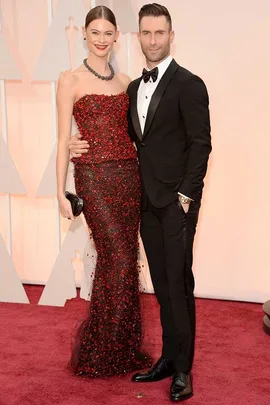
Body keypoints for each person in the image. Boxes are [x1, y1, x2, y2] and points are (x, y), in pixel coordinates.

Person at [69, 2, 211, 400]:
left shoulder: (189, 84)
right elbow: (126, 139)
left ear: (170, 35)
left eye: (159, 33)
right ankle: (167, 357)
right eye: (146, 33)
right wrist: (74, 143)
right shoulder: (133, 87)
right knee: (163, 286)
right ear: (138, 36)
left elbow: (201, 145)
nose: (152, 40)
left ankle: (183, 370)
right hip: (144, 202)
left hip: (177, 204)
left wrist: (186, 196)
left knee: (179, 285)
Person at [56, 5, 151, 378]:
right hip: (93, 178)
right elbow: (64, 138)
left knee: (127, 258)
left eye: (107, 33)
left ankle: (123, 346)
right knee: (117, 258)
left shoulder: (125, 81)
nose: (100, 39)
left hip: (129, 175)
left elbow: (132, 134)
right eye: (94, 32)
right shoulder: (70, 80)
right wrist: (60, 192)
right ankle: (102, 349)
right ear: (84, 34)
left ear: (116, 37)